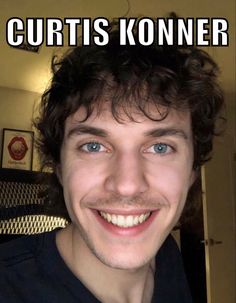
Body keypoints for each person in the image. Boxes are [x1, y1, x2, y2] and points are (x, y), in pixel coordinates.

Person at [0, 19, 224, 303]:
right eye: (93, 146)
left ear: (192, 171)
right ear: (59, 166)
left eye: (160, 148)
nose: (127, 185)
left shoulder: (167, 254)